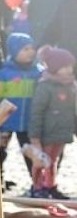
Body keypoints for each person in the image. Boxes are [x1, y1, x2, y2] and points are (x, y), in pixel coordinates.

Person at [28, 47, 76, 199]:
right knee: (42, 161)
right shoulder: (45, 87)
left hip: (61, 132)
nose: (69, 70)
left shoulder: (70, 86)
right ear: (55, 67)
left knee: (54, 161)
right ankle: (37, 187)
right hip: (47, 133)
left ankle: (50, 185)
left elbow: (72, 111)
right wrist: (35, 136)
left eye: (70, 66)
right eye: (65, 67)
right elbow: (37, 113)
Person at [0, 32, 43, 184]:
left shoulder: (38, 72)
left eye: (32, 48)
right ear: (14, 51)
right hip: (6, 120)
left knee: (31, 153)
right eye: (25, 49)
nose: (31, 52)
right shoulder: (4, 73)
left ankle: (37, 183)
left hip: (28, 122)